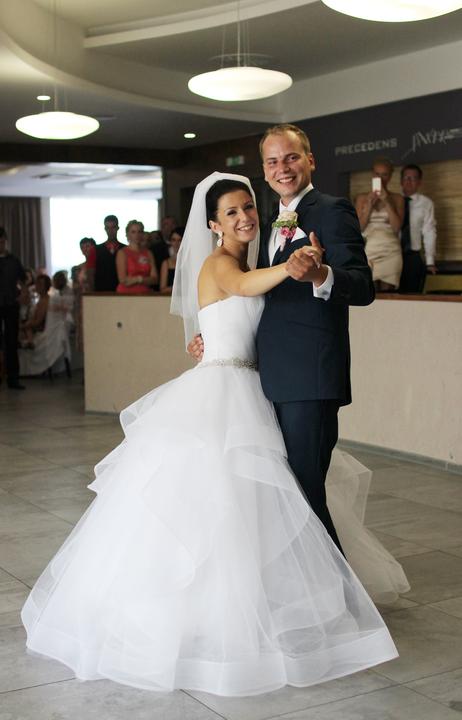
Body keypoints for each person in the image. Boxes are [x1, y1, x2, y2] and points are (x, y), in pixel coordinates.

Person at [22, 173, 400, 696]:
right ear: (213, 224)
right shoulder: (222, 264)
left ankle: (272, 599)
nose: (245, 217)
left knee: (263, 503)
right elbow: (244, 289)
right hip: (222, 392)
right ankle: (215, 612)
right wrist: (294, 265)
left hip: (255, 386)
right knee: (217, 505)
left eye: (248, 207)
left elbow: (259, 318)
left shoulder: (248, 260)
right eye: (231, 212)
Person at [189, 125, 374, 553]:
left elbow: (363, 287)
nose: (282, 168)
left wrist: (321, 274)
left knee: (304, 492)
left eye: (291, 157)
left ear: (310, 160)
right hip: (267, 384)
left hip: (309, 377)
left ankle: (338, 591)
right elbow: (256, 299)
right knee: (281, 495)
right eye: (272, 161)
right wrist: (214, 335)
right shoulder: (264, 231)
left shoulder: (332, 210)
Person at [355, 157, 405, 292]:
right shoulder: (362, 198)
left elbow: (396, 228)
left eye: (385, 175)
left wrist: (387, 201)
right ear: (372, 175)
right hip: (369, 250)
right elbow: (359, 228)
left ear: (390, 176)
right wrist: (369, 205)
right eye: (377, 174)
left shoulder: (397, 198)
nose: (381, 179)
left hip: (391, 251)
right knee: (369, 291)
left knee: (388, 293)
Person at [399, 164, 437, 293]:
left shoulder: (426, 203)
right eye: (406, 177)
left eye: (413, 178)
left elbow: (429, 232)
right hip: (392, 254)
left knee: (412, 294)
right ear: (401, 181)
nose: (409, 181)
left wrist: (430, 261)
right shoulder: (392, 200)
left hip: (412, 257)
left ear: (419, 182)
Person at [0, 227, 26, 389]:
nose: (1, 244)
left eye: (2, 241)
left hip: (11, 304)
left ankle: (13, 378)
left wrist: (23, 293)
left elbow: (24, 279)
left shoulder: (13, 260)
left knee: (11, 341)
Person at [116, 220, 158, 294]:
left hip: (145, 293)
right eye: (133, 232)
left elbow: (155, 279)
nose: (137, 235)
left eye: (139, 232)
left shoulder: (148, 253)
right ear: (127, 234)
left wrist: (138, 279)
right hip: (126, 293)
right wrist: (144, 279)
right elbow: (123, 280)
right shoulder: (122, 253)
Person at [87, 215, 125, 292]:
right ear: (105, 229)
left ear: (117, 228)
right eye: (108, 228)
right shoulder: (94, 250)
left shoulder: (125, 250)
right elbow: (90, 274)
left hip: (122, 292)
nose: (110, 231)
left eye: (113, 227)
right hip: (101, 292)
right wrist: (93, 293)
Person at [159, 226, 184, 292]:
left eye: (179, 240)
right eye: (173, 240)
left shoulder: (191, 262)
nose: (176, 243)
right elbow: (162, 289)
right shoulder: (166, 263)